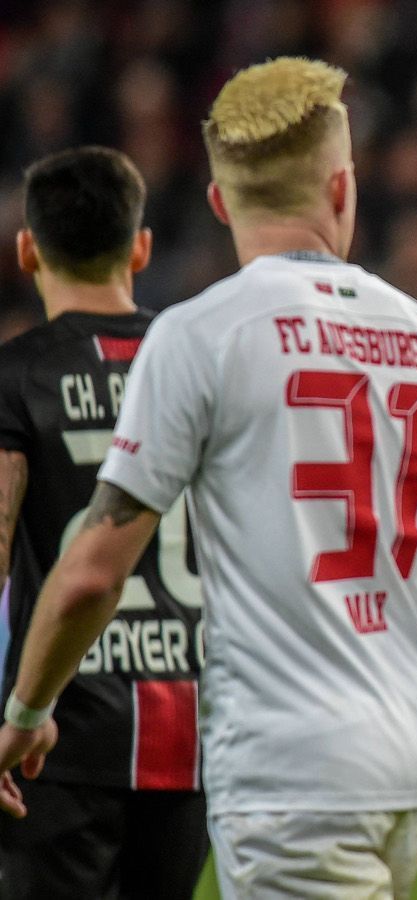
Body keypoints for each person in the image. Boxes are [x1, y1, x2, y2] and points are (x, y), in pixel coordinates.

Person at [0, 57, 417, 899]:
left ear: (220, 204)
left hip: (285, 761)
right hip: (410, 757)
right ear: (343, 189)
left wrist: (27, 715)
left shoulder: (196, 336)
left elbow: (91, 574)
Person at [0, 146, 207, 897]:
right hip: (195, 731)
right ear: (141, 246)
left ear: (28, 251)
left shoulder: (17, 375)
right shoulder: (199, 363)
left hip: (51, 728)